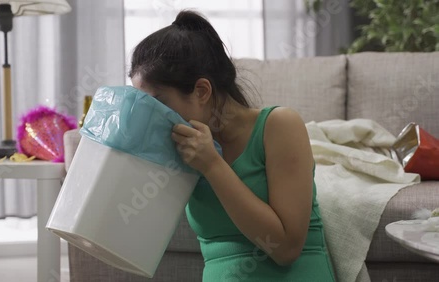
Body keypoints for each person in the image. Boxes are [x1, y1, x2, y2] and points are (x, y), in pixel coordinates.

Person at [130, 10, 336, 282]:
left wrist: (213, 166)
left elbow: (285, 248)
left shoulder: (279, 126)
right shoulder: (177, 147)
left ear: (202, 91)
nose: (153, 118)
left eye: (159, 104)